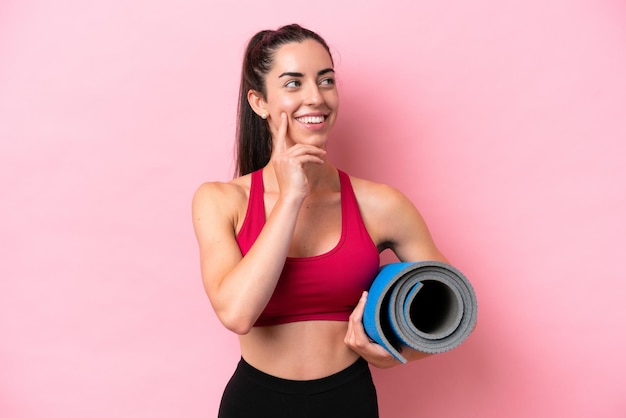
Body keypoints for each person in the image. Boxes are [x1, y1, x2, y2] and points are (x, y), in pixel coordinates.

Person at [192, 23, 448, 418]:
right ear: (259, 102)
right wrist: (291, 196)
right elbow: (237, 313)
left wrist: (395, 355)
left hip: (348, 401)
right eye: (293, 84)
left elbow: (450, 312)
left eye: (326, 80)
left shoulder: (381, 204)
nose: (316, 97)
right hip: (255, 403)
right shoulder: (220, 200)